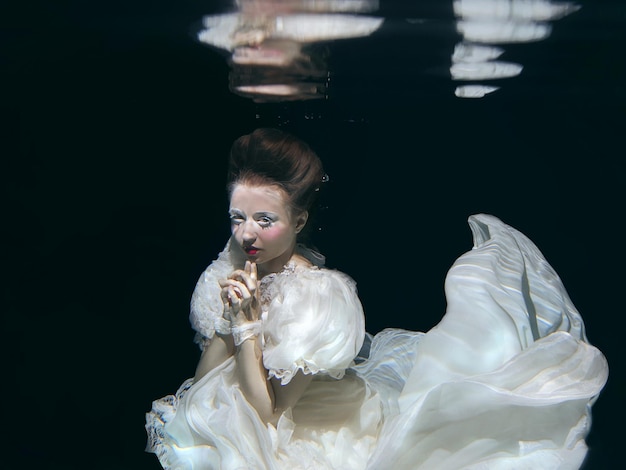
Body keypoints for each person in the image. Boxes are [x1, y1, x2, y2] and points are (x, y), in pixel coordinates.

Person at [146, 128, 608, 469]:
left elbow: (269, 412)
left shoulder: (318, 297)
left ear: (300, 221)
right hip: (239, 402)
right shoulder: (233, 263)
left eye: (265, 220)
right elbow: (203, 382)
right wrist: (231, 319)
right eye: (237, 217)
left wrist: (247, 324)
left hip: (308, 424)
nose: (247, 234)